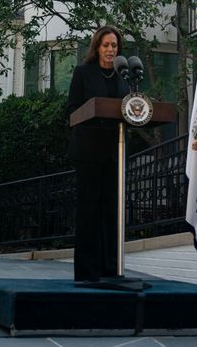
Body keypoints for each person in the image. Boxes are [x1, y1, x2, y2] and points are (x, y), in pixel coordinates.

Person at [66, 25, 129, 283]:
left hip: (115, 152)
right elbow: (71, 109)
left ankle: (110, 269)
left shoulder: (123, 77)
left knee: (111, 213)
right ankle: (87, 272)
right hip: (89, 152)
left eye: (114, 46)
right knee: (89, 212)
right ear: (97, 48)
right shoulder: (83, 73)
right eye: (106, 45)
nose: (110, 50)